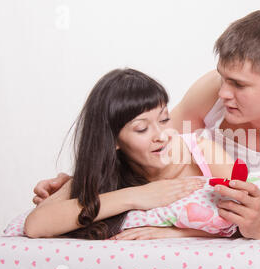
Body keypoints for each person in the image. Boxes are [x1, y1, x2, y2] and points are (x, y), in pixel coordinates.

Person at [33, 10, 260, 245]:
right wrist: (84, 179)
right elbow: (147, 153)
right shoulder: (213, 93)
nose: (223, 92)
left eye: (239, 85)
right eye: (222, 77)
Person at [24, 68, 235, 240]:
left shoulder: (202, 153)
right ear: (113, 140)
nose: (162, 136)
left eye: (164, 119)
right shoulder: (108, 173)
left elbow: (246, 218)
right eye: (142, 128)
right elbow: (35, 225)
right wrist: (136, 196)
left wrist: (177, 232)